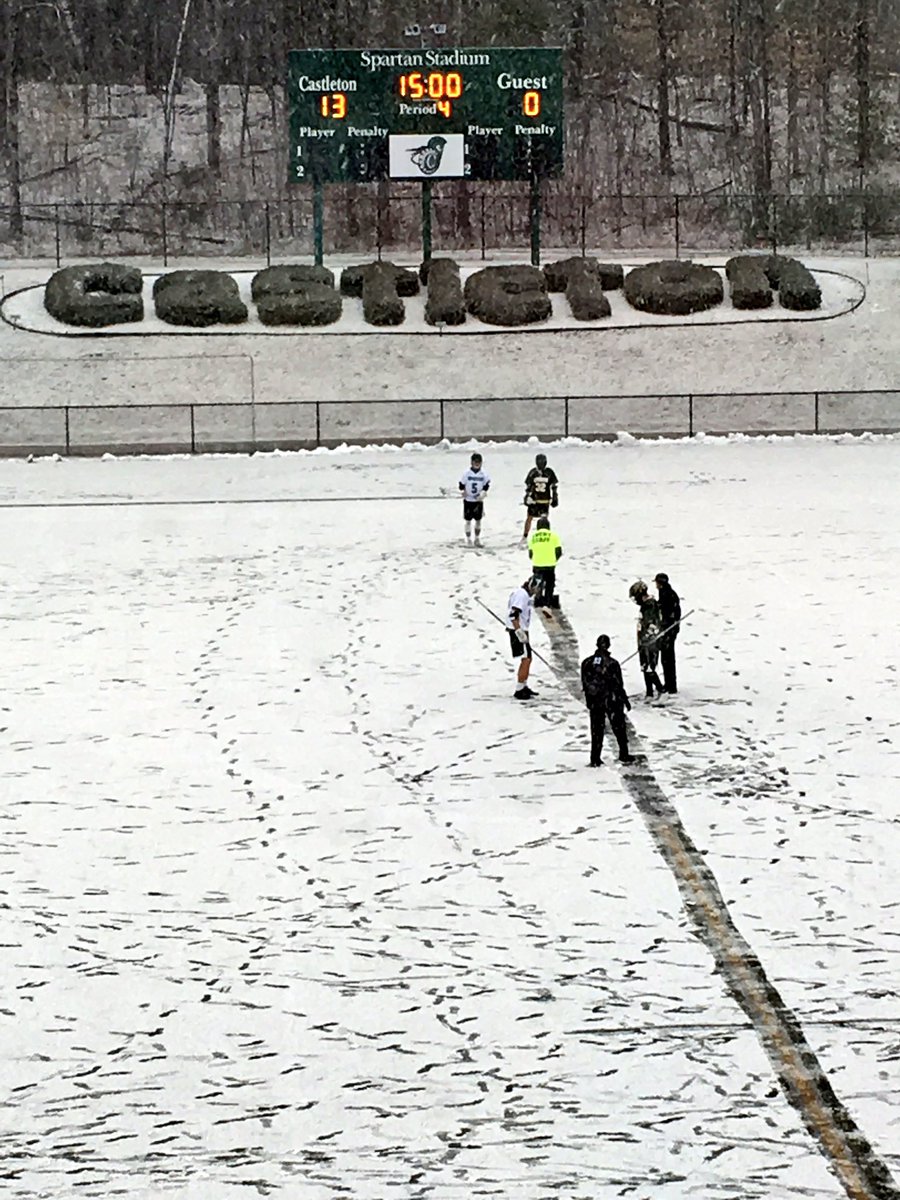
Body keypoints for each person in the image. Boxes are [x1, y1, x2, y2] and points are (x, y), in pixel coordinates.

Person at [580, 635, 634, 766]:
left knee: (596, 729)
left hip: (595, 700)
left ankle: (595, 757)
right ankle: (623, 753)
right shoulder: (612, 663)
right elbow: (618, 684)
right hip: (611, 699)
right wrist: (624, 700)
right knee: (619, 726)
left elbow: (585, 684)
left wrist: (590, 700)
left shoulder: (586, 663)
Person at [629, 580, 665, 699]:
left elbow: (652, 625)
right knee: (645, 667)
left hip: (650, 643)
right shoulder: (645, 606)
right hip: (643, 643)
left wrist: (647, 640)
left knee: (649, 668)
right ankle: (649, 692)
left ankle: (661, 689)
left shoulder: (650, 606)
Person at [505, 577, 538, 700]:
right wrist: (518, 630)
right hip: (518, 630)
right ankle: (520, 688)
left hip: (521, 629)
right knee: (526, 658)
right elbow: (514, 614)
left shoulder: (524, 595)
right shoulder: (522, 595)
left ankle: (523, 685)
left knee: (527, 658)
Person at [520, 453, 559, 544]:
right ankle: (525, 536)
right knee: (529, 518)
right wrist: (527, 496)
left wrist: (555, 496)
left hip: (545, 500)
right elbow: (529, 486)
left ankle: (543, 537)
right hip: (534, 500)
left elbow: (554, 485)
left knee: (543, 520)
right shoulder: (533, 473)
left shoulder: (549, 472)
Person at [527, 515, 563, 609]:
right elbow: (559, 552)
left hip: (537, 564)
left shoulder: (533, 537)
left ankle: (538, 597)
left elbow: (530, 553)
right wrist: (554, 560)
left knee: (539, 580)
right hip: (550, 564)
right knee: (550, 582)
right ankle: (548, 601)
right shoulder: (554, 536)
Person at [654, 572, 681, 694]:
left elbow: (669, 613)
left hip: (668, 630)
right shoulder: (665, 593)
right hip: (667, 629)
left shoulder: (668, 594)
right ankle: (669, 684)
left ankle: (671, 686)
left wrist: (666, 628)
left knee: (668, 658)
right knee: (666, 658)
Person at [458, 451, 490, 546]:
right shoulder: (467, 473)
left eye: (479, 462)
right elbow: (461, 485)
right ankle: (468, 539)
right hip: (468, 500)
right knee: (468, 520)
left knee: (478, 520)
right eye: (475, 462)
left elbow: (486, 485)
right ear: (471, 462)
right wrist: (463, 491)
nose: (477, 464)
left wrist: (483, 493)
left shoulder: (483, 474)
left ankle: (477, 538)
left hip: (478, 501)